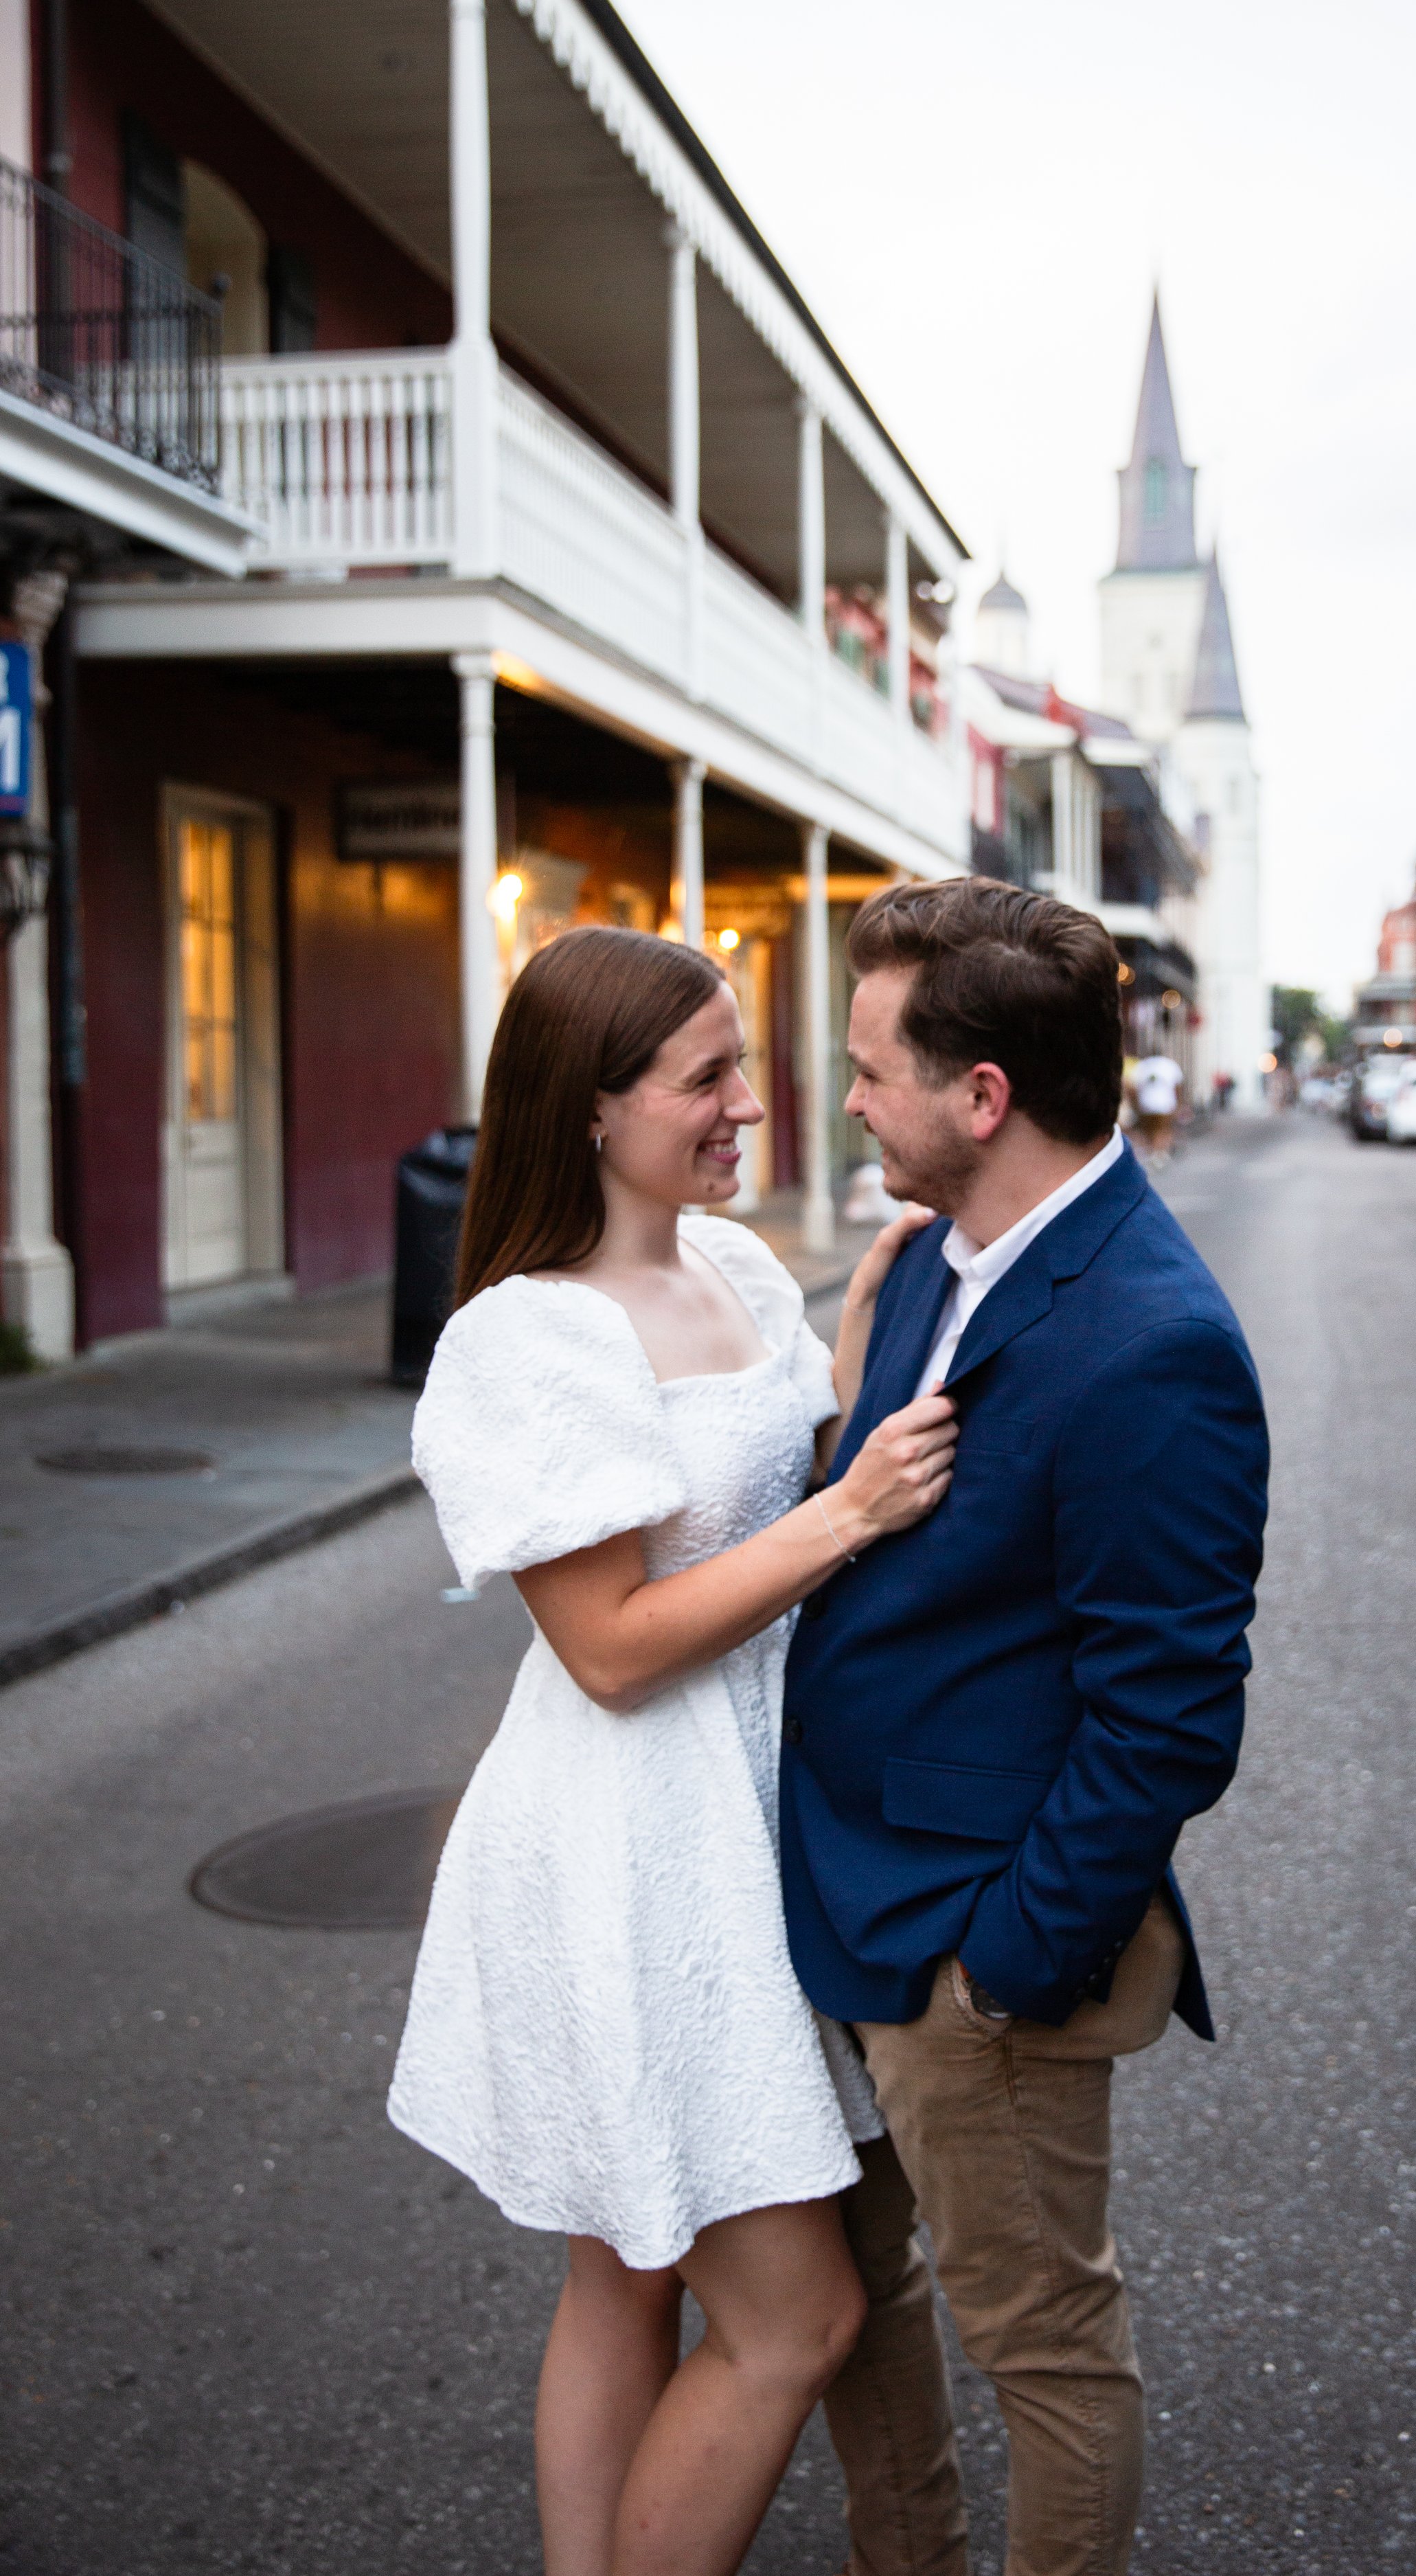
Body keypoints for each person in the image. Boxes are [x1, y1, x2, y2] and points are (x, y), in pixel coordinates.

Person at [387, 925, 957, 2576]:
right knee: (799, 2312)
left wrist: (857, 1339)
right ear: (592, 1104)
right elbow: (614, 1642)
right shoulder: (529, 1335)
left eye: (742, 1068)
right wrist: (853, 1507)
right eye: (707, 1075)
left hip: (740, 1813)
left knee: (626, 2266)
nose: (750, 1106)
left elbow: (781, 1492)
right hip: (626, 1844)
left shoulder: (740, 1271)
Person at [784, 877, 1269, 2576]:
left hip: (973, 1945)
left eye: (869, 1067)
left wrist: (1011, 1957)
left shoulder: (1155, 1341)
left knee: (1043, 2343)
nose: (845, 1095)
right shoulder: (936, 1253)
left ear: (979, 1095)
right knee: (848, 2292)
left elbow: (1169, 1712)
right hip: (841, 1898)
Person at [1129, 1050, 1183, 1165]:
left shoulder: (1142, 1065)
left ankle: (1154, 1153)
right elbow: (1177, 1086)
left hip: (1146, 1104)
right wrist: (1178, 1104)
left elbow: (1133, 1088)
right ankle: (1160, 1153)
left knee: (1150, 1130)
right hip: (1165, 1104)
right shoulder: (1169, 1064)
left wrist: (1136, 1104)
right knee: (1163, 1130)